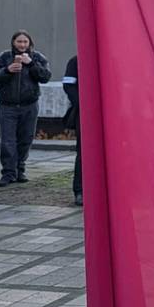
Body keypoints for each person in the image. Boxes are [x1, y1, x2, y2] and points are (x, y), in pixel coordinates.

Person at [0, 30, 51, 187]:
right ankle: (8, 173)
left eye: (25, 42)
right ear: (13, 42)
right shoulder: (4, 57)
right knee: (8, 141)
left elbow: (45, 77)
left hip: (29, 105)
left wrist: (30, 64)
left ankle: (20, 169)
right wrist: (7, 70)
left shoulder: (37, 57)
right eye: (19, 42)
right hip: (8, 106)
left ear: (30, 43)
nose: (22, 45)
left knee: (26, 139)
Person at [63, 55, 82, 206]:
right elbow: (68, 86)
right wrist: (84, 103)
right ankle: (80, 191)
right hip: (84, 114)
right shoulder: (75, 61)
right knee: (83, 154)